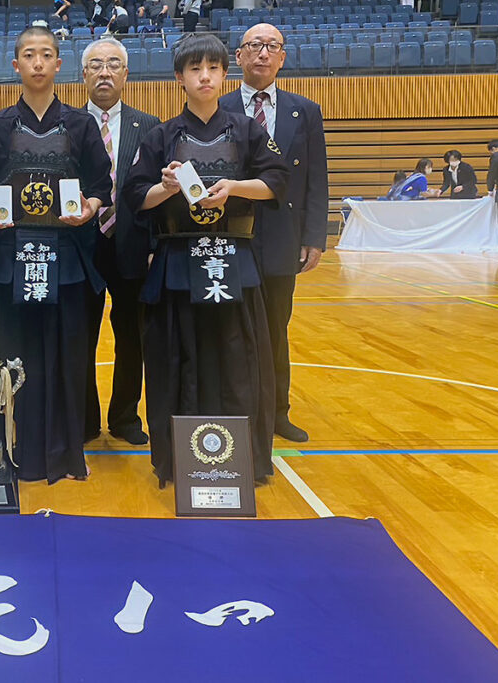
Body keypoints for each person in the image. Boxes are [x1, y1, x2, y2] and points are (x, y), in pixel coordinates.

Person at [122, 33, 288, 486]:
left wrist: (234, 187)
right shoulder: (161, 136)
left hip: (233, 262)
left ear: (224, 73)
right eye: (195, 69)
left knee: (239, 363)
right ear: (180, 78)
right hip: (178, 264)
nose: (205, 77)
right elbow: (135, 196)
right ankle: (182, 462)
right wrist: (168, 188)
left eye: (213, 68)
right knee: (179, 361)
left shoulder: (249, 130)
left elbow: (276, 182)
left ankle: (241, 464)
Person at [0, 27, 113, 483]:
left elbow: (100, 187)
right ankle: (8, 450)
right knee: (11, 354)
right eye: (28, 55)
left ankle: (61, 453)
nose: (37, 63)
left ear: (58, 64)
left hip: (64, 258)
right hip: (10, 259)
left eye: (46, 55)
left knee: (63, 356)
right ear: (16, 66)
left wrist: (88, 210)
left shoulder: (81, 125)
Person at [220, 23, 327, 444]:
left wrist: (314, 236)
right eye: (254, 46)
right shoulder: (220, 106)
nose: (263, 54)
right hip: (230, 236)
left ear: (283, 57)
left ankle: (277, 412)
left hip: (283, 237)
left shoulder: (306, 111)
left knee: (275, 330)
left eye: (272, 47)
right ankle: (235, 411)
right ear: (239, 56)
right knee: (228, 326)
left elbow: (316, 177)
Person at [80, 39, 160, 446]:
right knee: (80, 337)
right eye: (96, 65)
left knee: (132, 337)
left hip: (132, 246)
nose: (105, 72)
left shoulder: (149, 127)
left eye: (114, 65)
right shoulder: (69, 124)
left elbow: (160, 192)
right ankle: (85, 420)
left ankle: (126, 417)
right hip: (82, 248)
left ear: (126, 75)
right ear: (84, 75)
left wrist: (154, 247)